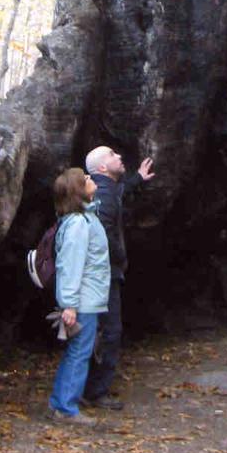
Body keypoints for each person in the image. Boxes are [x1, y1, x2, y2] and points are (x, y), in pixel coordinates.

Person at [80, 145, 155, 411]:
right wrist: (119, 256)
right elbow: (104, 232)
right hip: (103, 274)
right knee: (108, 331)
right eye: (112, 155)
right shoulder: (102, 194)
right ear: (101, 168)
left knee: (101, 330)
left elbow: (119, 195)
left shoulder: (107, 189)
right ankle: (94, 391)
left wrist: (137, 180)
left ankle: (89, 388)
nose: (119, 156)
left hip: (103, 273)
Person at [47, 167, 110, 423]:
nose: (91, 179)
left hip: (88, 298)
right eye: (85, 179)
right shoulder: (78, 224)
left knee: (78, 350)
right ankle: (66, 407)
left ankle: (60, 402)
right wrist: (69, 305)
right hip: (82, 300)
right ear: (77, 191)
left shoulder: (85, 218)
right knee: (79, 352)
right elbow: (70, 265)